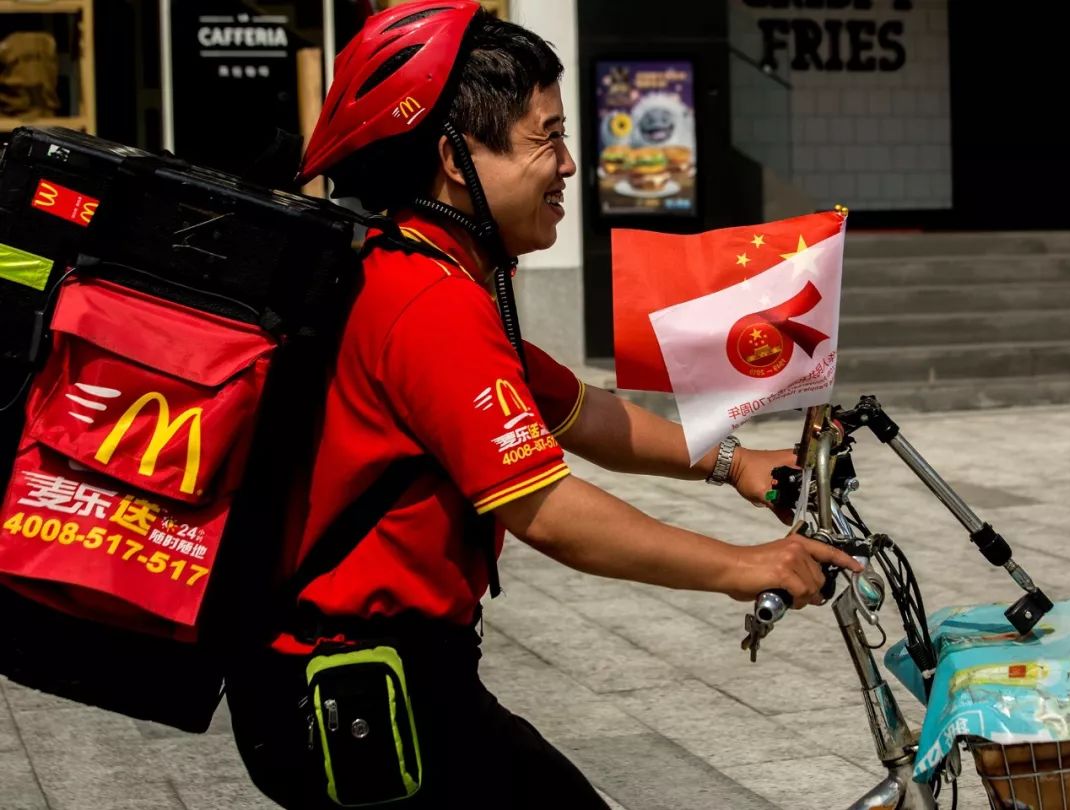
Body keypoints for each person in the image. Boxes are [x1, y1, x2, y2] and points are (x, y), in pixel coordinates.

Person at [225, 2, 861, 808]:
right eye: (547, 136)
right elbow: (547, 510)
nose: (567, 164)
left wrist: (738, 466)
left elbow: (581, 412)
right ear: (456, 157)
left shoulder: (423, 273)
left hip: (384, 676)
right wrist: (747, 566)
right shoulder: (427, 302)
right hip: (360, 694)